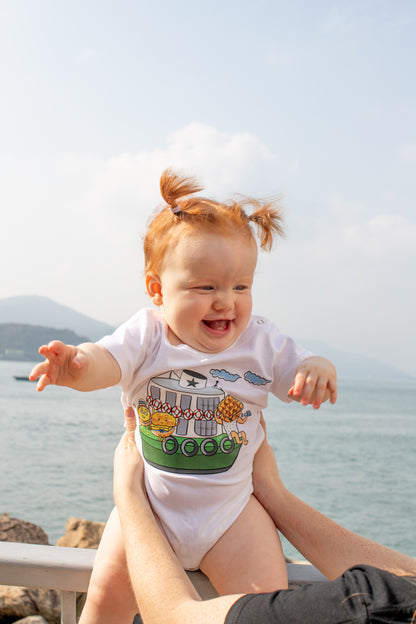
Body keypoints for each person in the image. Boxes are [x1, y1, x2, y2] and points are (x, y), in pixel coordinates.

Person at [29, 169, 337, 623]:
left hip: (232, 513)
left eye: (241, 286)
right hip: (149, 509)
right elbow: (106, 361)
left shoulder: (260, 341)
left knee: (265, 606)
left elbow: (300, 363)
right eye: (205, 287)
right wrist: (76, 366)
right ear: (157, 289)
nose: (225, 302)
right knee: (102, 605)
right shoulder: (147, 334)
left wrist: (316, 370)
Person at [115, 407, 416, 624]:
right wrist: (273, 494)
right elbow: (402, 584)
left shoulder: (363, 607)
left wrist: (128, 494)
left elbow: (172, 617)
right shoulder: (382, 602)